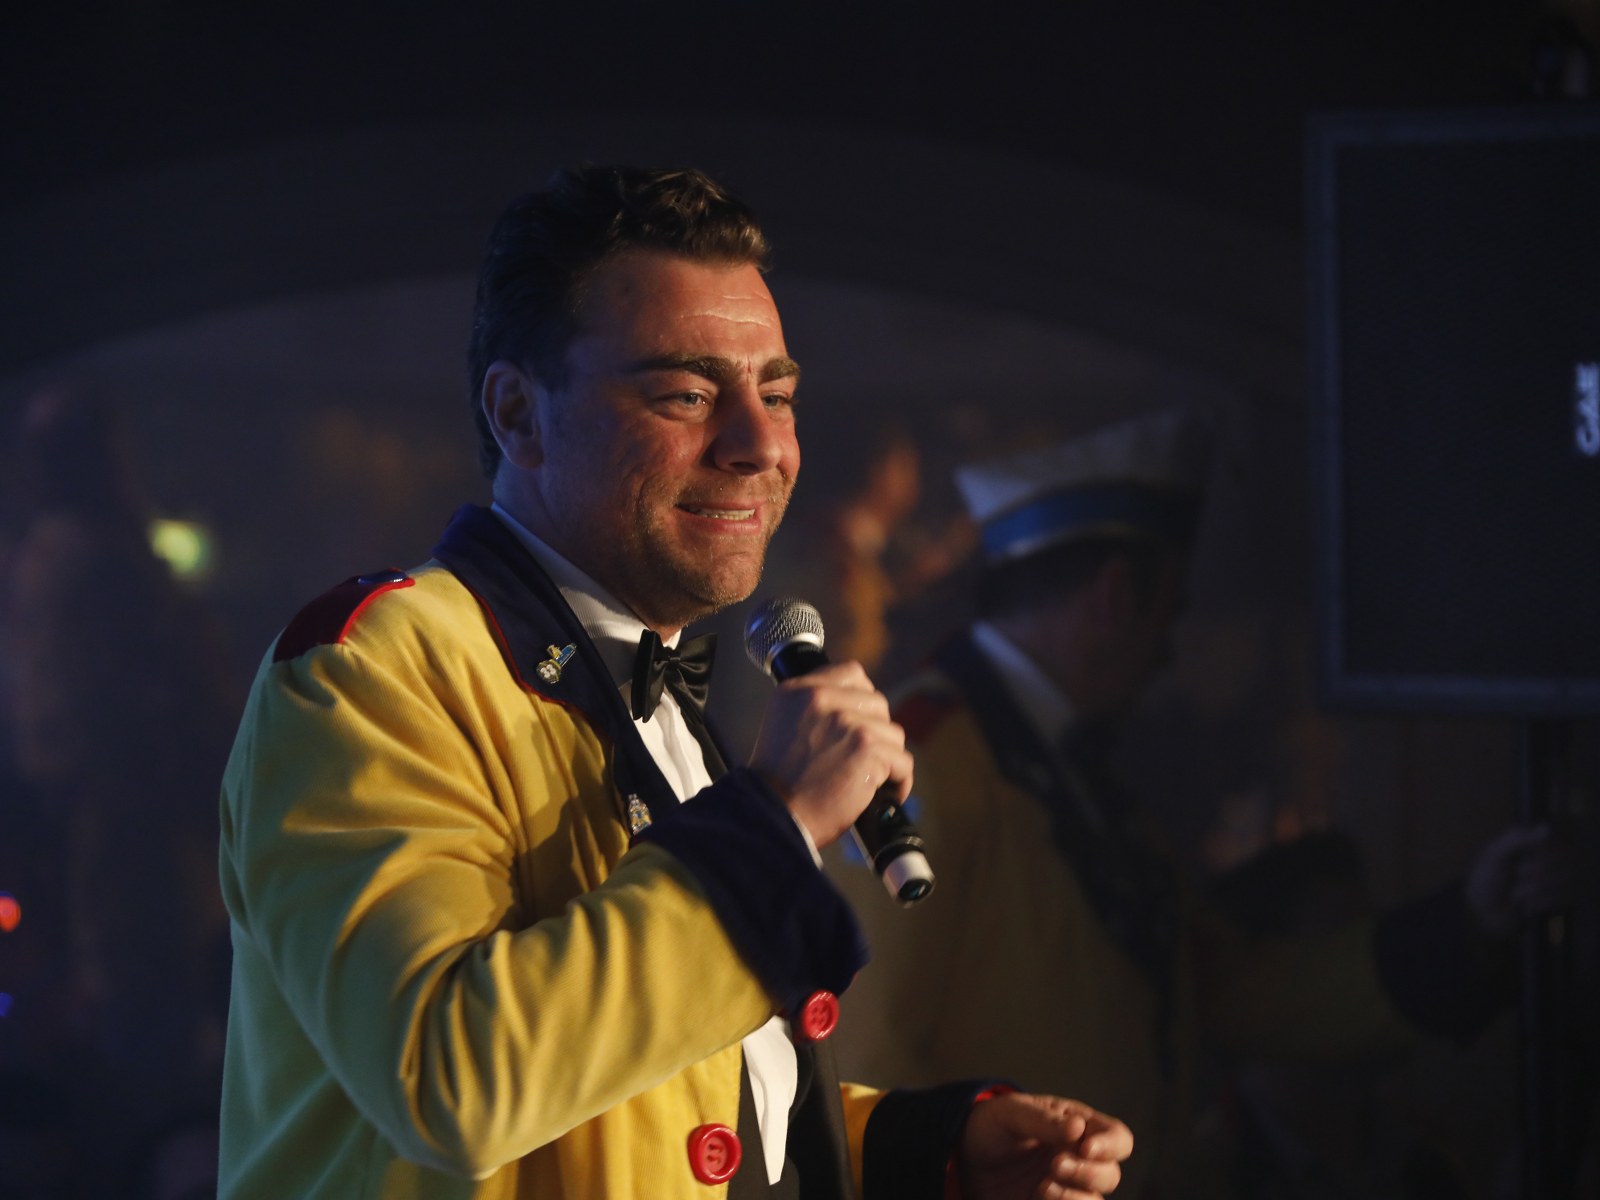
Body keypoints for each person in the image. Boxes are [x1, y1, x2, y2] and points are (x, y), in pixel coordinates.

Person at [216, 165, 1133, 1200]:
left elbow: (670, 1106)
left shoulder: (651, 680)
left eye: (776, 395)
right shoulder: (373, 665)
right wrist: (776, 824)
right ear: (518, 415)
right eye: (686, 396)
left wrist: (928, 1153)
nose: (760, 445)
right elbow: (452, 1081)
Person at [825, 408, 1568, 1199]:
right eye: (1168, 615)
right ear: (1115, 594)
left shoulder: (1081, 784)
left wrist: (1469, 921)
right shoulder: (924, 764)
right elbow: (864, 1058)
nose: (1167, 654)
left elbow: (1234, 991)